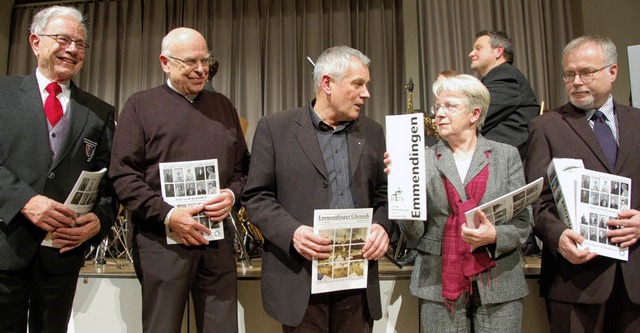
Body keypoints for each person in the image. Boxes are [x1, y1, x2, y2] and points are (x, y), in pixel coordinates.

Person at [109, 27, 250, 333]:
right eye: (190, 62)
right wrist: (170, 215)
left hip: (216, 241)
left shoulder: (223, 106)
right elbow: (123, 175)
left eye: (205, 60)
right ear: (165, 62)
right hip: (162, 242)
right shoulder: (140, 106)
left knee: (222, 327)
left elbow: (243, 170)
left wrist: (232, 195)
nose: (201, 70)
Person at [242, 46, 391, 331]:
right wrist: (293, 233)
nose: (366, 94)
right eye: (357, 84)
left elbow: (384, 196)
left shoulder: (373, 132)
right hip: (300, 280)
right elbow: (256, 196)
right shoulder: (276, 129)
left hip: (356, 283)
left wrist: (383, 226)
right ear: (327, 84)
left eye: (366, 85)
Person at [0, 5, 116, 332]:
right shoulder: (2, 94)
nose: (72, 49)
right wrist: (25, 200)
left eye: (80, 44)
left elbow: (109, 185)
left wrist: (99, 221)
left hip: (62, 253)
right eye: (62, 39)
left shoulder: (99, 112)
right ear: (35, 41)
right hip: (5, 247)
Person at [388, 74, 530, 332]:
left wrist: (495, 234)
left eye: (450, 106)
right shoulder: (421, 159)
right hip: (438, 281)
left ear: (475, 114)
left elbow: (523, 222)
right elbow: (413, 234)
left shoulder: (505, 155)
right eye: (437, 107)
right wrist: (401, 187)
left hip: (499, 279)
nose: (439, 114)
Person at [525, 35, 640, 332]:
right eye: (569, 74)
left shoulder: (638, 122)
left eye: (586, 72)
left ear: (612, 72)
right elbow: (537, 201)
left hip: (634, 281)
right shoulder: (546, 126)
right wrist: (558, 236)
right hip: (574, 281)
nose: (576, 81)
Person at [469, 30, 540, 160]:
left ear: (498, 51)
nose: (471, 53)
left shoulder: (506, 76)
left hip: (500, 163)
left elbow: (474, 115)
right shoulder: (497, 77)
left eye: (478, 48)